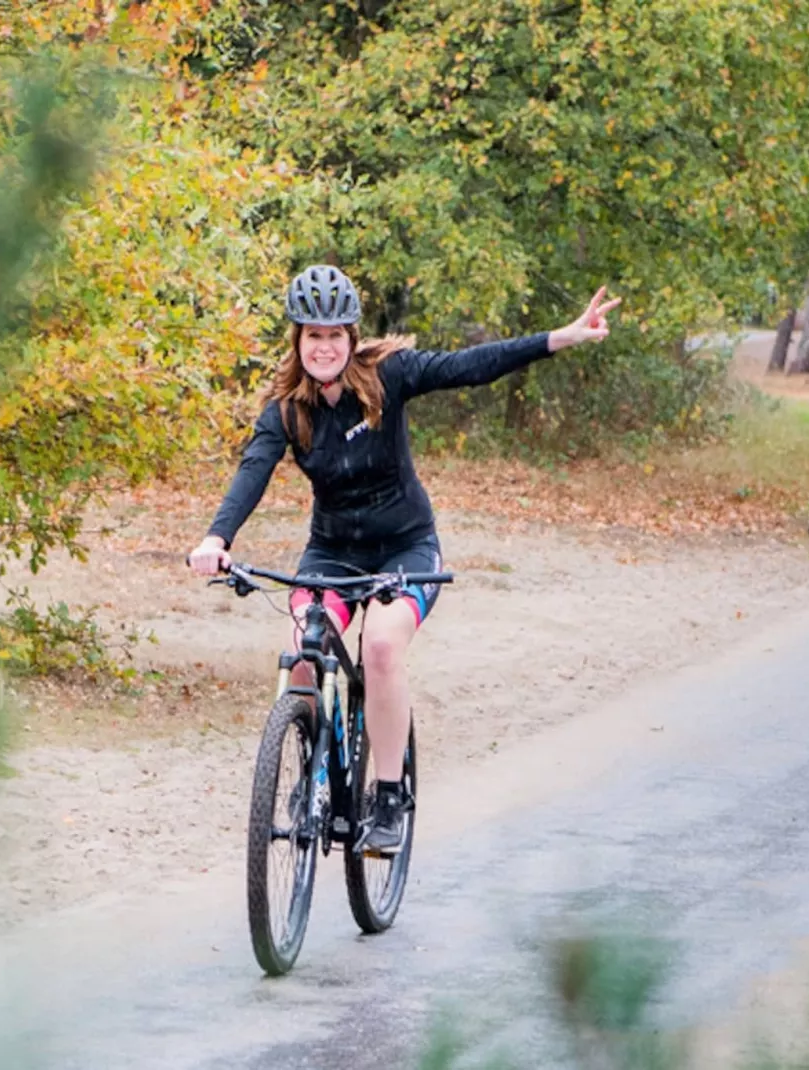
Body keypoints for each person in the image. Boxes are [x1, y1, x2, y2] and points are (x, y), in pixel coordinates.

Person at [188, 265, 619, 852]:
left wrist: (559, 338)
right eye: (312, 335)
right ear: (297, 341)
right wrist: (218, 538)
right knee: (303, 648)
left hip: (405, 546)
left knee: (381, 647)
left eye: (335, 334)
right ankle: (309, 777)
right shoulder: (286, 411)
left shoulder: (389, 377)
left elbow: (469, 367)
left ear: (351, 336)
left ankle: (388, 795)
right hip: (333, 551)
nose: (324, 346)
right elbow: (251, 474)